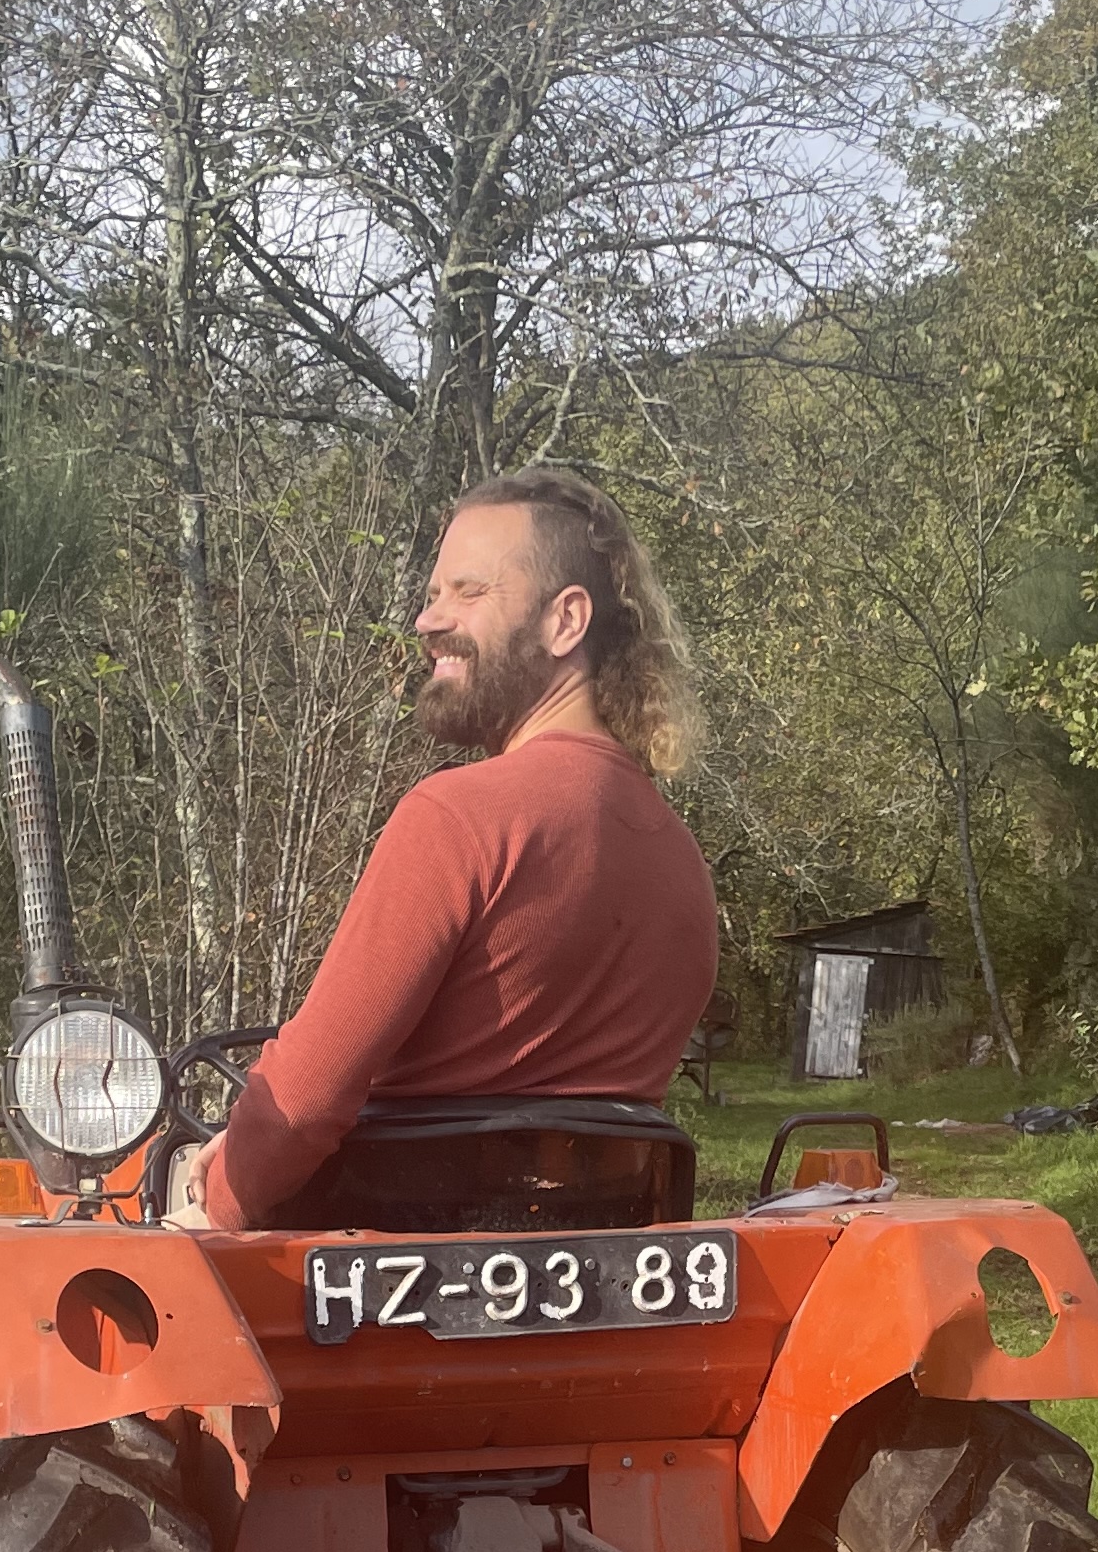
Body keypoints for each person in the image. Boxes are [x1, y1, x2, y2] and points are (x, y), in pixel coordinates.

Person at [186, 467, 721, 1230]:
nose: (428, 622)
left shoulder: (458, 818)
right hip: (589, 1299)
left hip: (387, 1304)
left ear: (564, 621)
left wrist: (216, 1203)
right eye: (434, 595)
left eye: (467, 593)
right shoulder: (681, 863)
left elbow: (302, 1103)